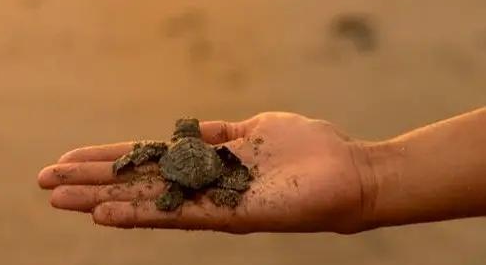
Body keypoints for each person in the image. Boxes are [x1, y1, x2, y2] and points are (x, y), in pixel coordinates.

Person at [37, 107, 486, 234]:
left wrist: (126, 163)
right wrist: (368, 171)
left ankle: (181, 193)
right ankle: (221, 190)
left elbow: (145, 154)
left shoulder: (164, 151)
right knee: (222, 180)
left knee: (166, 187)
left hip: (178, 175)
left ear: (179, 135)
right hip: (211, 172)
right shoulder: (215, 153)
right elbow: (232, 158)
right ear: (194, 134)